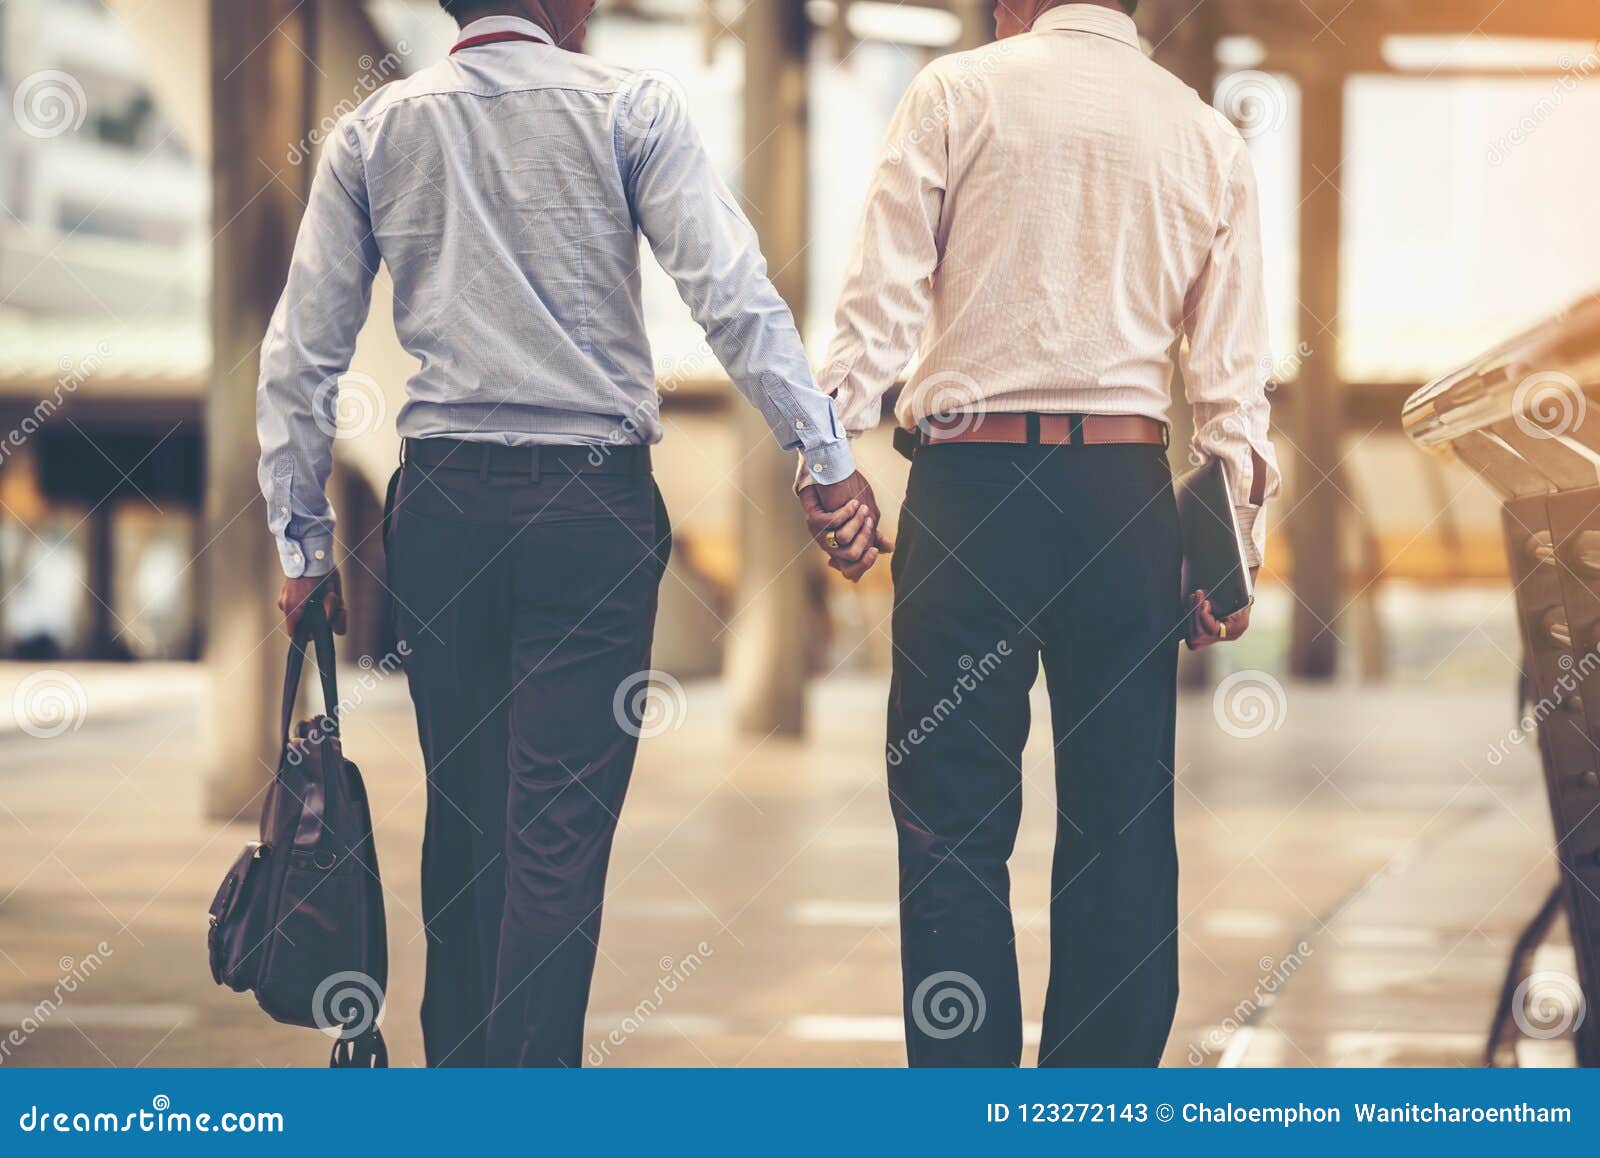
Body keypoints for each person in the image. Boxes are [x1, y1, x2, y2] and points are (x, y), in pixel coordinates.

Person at [256, 0, 876, 1066]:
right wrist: (822, 458)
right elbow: (730, 294)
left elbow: (297, 354)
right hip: (590, 510)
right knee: (556, 839)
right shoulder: (629, 108)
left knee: (466, 825)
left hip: (444, 506)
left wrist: (304, 548)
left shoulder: (376, 129)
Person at [808, 0, 1281, 1066]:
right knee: (1122, 819)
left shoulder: (954, 92)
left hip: (972, 489)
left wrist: (828, 461)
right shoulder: (1203, 131)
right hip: (1123, 494)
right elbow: (1231, 381)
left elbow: (875, 310)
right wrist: (1232, 537)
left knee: (950, 819)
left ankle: (967, 1106)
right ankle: (1094, 1106)